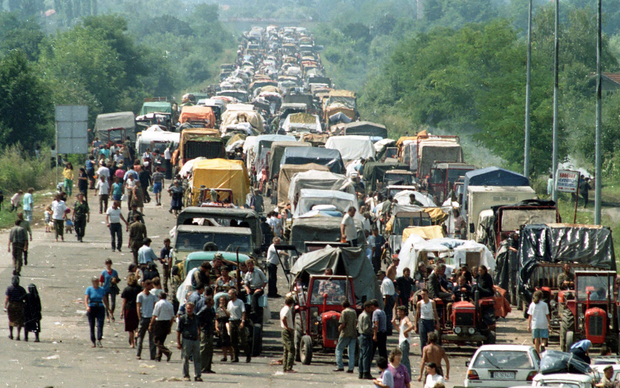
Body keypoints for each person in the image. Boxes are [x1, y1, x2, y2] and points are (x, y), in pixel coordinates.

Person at [177, 301, 202, 382]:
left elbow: (199, 326)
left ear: (193, 309)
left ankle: (198, 375)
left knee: (197, 358)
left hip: (195, 340)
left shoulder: (197, 317)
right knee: (185, 358)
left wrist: (199, 335)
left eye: (191, 308)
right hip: (186, 339)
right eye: (188, 308)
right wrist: (178, 342)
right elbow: (178, 331)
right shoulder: (183, 318)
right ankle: (186, 375)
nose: (189, 310)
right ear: (185, 309)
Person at [84, 276, 110, 348]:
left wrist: (108, 308)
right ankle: (93, 341)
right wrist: (87, 307)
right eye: (95, 281)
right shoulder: (89, 289)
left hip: (100, 307)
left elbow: (104, 299)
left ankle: (99, 339)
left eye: (98, 281)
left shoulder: (101, 289)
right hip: (92, 307)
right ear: (93, 282)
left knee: (100, 324)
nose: (97, 283)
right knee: (92, 325)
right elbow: (86, 299)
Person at [149, 292, 174, 362]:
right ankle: (158, 356)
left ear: (159, 297)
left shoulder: (158, 304)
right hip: (167, 322)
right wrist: (170, 326)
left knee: (156, 340)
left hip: (159, 322)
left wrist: (151, 324)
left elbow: (154, 315)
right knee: (161, 341)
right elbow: (172, 317)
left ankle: (167, 352)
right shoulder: (170, 304)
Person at [136, 279, 157, 360]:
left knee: (152, 338)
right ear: (146, 286)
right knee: (141, 337)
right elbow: (138, 306)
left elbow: (155, 306)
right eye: (150, 285)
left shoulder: (152, 296)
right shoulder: (140, 295)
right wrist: (139, 317)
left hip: (150, 318)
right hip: (144, 317)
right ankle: (138, 353)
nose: (151, 287)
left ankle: (153, 355)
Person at [227, 289, 250, 363]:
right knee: (233, 340)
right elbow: (228, 313)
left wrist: (242, 322)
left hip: (238, 321)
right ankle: (235, 356)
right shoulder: (229, 303)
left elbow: (243, 312)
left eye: (230, 294)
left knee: (242, 340)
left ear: (234, 294)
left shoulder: (240, 302)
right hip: (232, 321)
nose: (229, 295)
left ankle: (248, 355)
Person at [335, 299, 357, 373]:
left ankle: (340, 366)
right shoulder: (354, 312)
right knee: (351, 352)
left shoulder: (344, 312)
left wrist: (339, 328)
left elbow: (343, 324)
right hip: (353, 333)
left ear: (343, 306)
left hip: (345, 333)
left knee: (339, 349)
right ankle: (351, 368)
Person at [120, 274, 142, 348]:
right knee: (136, 325)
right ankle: (137, 334)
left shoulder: (127, 289)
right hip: (137, 308)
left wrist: (121, 312)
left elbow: (124, 301)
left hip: (128, 309)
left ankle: (132, 343)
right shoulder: (139, 288)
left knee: (130, 328)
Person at [243, 258, 267, 323]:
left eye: (251, 265)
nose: (250, 267)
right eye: (248, 266)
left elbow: (265, 281)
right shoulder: (247, 274)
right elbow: (245, 284)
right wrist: (247, 289)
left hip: (259, 288)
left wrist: (261, 288)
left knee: (255, 295)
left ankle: (254, 311)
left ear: (253, 265)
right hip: (251, 288)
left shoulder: (258, 271)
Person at [393, 306, 414, 378]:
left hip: (404, 342)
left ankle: (407, 376)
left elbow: (411, 326)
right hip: (401, 342)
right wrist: (394, 324)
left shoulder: (406, 319)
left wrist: (406, 331)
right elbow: (400, 331)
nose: (397, 313)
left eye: (398, 311)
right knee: (401, 360)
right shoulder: (401, 320)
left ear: (403, 312)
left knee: (404, 360)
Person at [527, 290, 550, 354]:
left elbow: (530, 316)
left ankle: (537, 352)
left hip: (535, 324)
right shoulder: (544, 304)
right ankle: (543, 345)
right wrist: (549, 324)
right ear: (541, 297)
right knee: (544, 337)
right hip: (543, 323)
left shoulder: (532, 305)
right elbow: (547, 315)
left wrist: (528, 325)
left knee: (536, 339)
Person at [5, 276, 26, 340]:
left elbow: (7, 298)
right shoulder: (21, 289)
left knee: (11, 320)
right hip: (20, 305)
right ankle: (18, 335)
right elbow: (25, 298)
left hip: (12, 306)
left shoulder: (9, 288)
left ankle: (11, 334)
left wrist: (5, 306)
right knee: (19, 320)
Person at [358, 301, 374, 380]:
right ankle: (366, 372)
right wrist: (373, 330)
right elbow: (366, 328)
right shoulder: (366, 316)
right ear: (366, 308)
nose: (371, 309)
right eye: (370, 308)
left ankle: (360, 372)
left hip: (361, 336)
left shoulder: (361, 315)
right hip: (366, 336)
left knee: (361, 355)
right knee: (366, 355)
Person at [280, 296, 296, 373]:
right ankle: (289, 367)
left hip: (284, 330)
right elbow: (284, 318)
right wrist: (287, 327)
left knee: (286, 350)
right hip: (287, 330)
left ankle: (285, 367)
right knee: (291, 349)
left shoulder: (283, 309)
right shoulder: (287, 309)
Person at [216, 295, 232, 362]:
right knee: (222, 342)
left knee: (229, 342)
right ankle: (224, 356)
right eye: (221, 300)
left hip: (227, 324)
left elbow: (229, 315)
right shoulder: (218, 309)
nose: (222, 301)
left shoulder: (228, 307)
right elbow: (216, 318)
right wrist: (216, 326)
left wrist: (224, 309)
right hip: (220, 324)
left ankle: (232, 356)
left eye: (223, 300)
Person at [379, 271, 396, 336]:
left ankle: (388, 330)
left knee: (387, 315)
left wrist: (384, 304)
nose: (379, 277)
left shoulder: (385, 282)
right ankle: (389, 329)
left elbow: (387, 294)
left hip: (388, 299)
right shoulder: (388, 280)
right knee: (389, 314)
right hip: (391, 298)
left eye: (380, 275)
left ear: (383, 275)